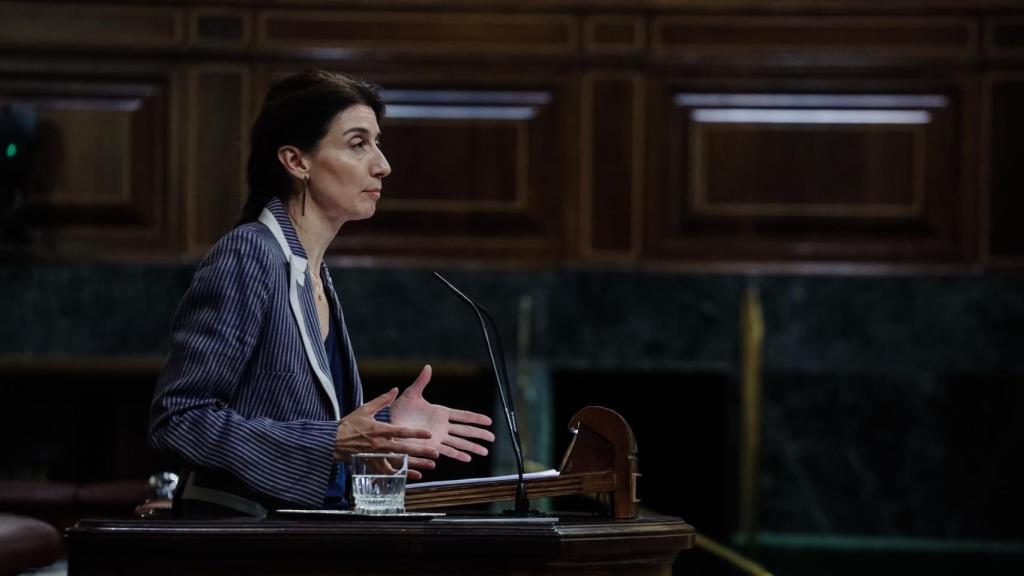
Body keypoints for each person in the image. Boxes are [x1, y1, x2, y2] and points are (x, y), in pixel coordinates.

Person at [148, 70, 495, 517]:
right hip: (243, 540)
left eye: (377, 142)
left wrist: (385, 429)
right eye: (358, 144)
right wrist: (333, 440)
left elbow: (309, 424)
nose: (382, 164)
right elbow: (179, 419)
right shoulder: (249, 255)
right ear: (297, 161)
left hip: (307, 534)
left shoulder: (315, 272)